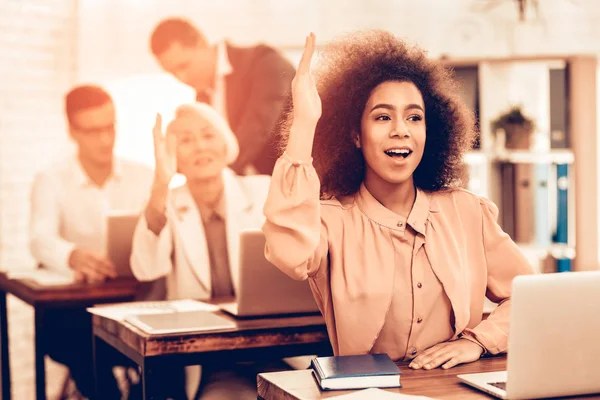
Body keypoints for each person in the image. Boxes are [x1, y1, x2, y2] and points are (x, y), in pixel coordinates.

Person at [262, 31, 534, 370]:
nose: (401, 130)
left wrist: (477, 342)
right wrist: (305, 124)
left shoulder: (468, 212)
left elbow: (530, 296)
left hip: (459, 390)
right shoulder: (331, 220)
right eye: (382, 116)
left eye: (414, 117)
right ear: (355, 135)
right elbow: (289, 254)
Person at [130, 102, 275, 399]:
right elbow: (146, 268)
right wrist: (160, 183)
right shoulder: (164, 201)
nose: (199, 147)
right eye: (185, 141)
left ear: (226, 144)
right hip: (213, 360)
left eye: (208, 135)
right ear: (174, 157)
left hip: (277, 350)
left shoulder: (264, 191)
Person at [29, 84, 154, 398]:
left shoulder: (143, 176)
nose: (105, 139)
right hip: (75, 312)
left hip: (133, 305)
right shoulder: (51, 179)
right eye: (93, 130)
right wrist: (71, 256)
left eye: (110, 127)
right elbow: (40, 237)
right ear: (72, 131)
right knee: (81, 343)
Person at [149, 17, 295, 176]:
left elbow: (257, 130)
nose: (182, 78)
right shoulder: (202, 97)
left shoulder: (264, 62)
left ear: (201, 43)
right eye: (173, 73)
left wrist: (210, 175)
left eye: (184, 66)